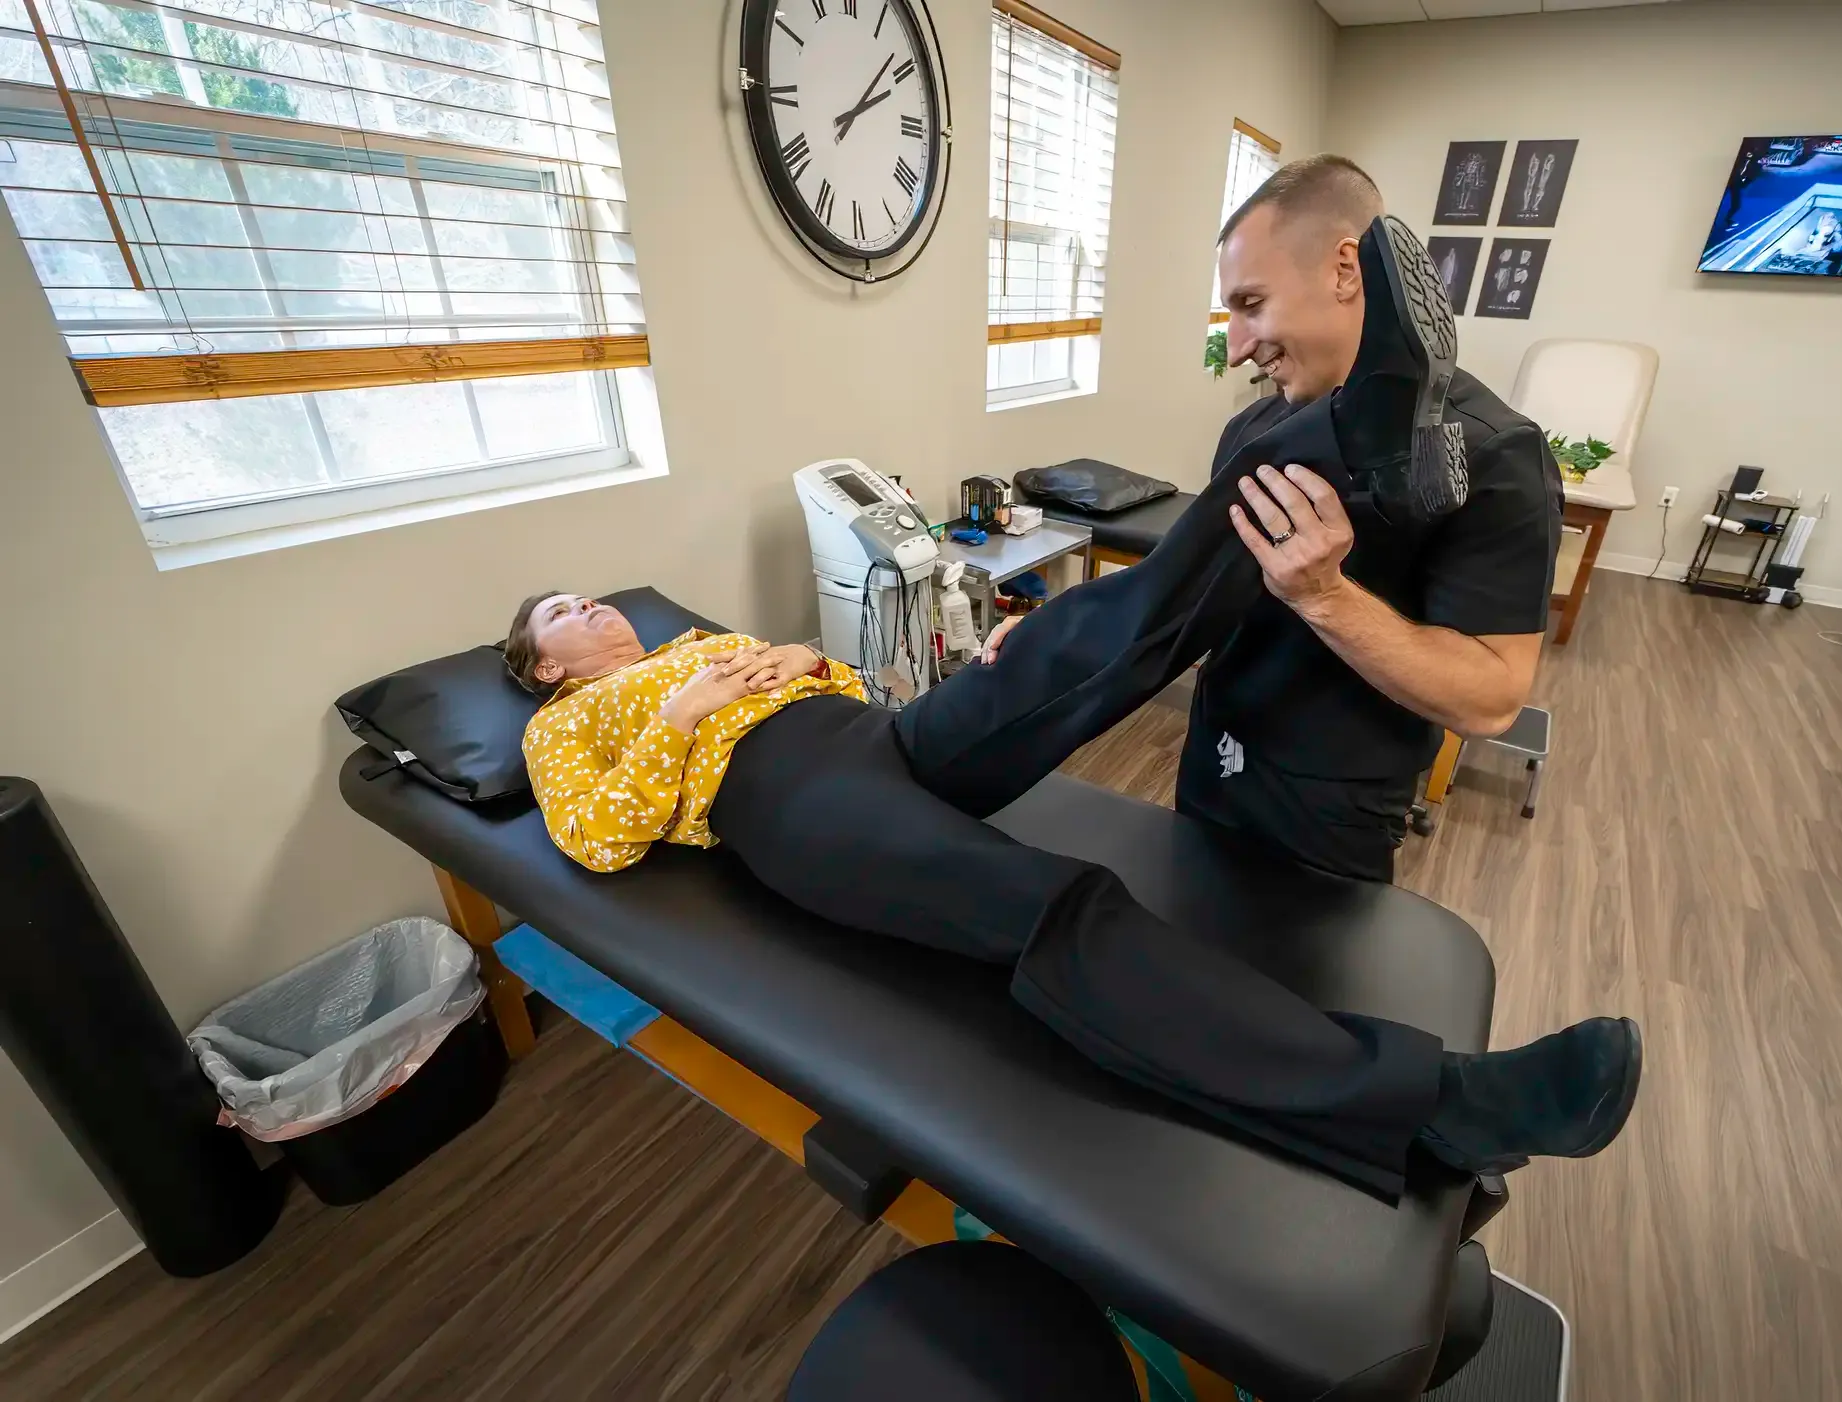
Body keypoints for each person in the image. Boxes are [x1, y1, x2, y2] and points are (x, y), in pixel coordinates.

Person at [503, 353, 1643, 1194]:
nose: (590, 604)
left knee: (1074, 647)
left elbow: (832, 684)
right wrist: (694, 712)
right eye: (563, 612)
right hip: (785, 799)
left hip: (866, 740)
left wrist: (801, 663)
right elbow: (598, 833)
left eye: (587, 592)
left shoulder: (689, 645)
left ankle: (1336, 441)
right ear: (545, 666)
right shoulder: (568, 725)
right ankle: (1437, 1105)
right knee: (1059, 903)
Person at [983, 156, 1559, 881]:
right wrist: (1048, 640)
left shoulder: (1497, 454)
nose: (1238, 347)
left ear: (1345, 270)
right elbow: (1187, 593)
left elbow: (1491, 700)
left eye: (1252, 303)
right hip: (1210, 761)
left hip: (1328, 812)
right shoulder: (1259, 429)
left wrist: (1327, 597)